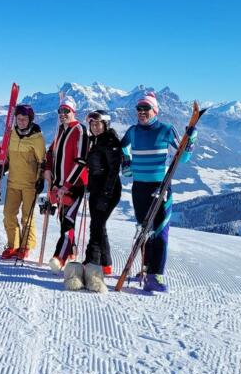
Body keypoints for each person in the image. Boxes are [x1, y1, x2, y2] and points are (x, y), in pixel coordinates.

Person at [120, 92, 198, 292]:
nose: (142, 112)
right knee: (144, 231)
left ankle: (156, 275)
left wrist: (191, 138)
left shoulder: (166, 129)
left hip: (160, 186)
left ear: (155, 111)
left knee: (160, 231)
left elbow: (183, 157)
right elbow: (123, 146)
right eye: (139, 108)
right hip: (139, 188)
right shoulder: (133, 131)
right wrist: (126, 163)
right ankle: (146, 270)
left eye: (146, 108)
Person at [43, 96, 89, 285]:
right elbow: (50, 153)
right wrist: (47, 169)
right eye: (60, 111)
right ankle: (70, 252)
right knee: (64, 220)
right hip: (59, 186)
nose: (62, 114)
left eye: (66, 111)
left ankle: (59, 258)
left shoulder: (80, 130)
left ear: (73, 112)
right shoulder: (60, 130)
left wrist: (67, 185)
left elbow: (81, 161)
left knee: (68, 221)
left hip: (74, 186)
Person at [81, 110, 122, 293]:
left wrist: (106, 194)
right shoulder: (96, 140)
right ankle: (106, 264)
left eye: (98, 124)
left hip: (108, 191)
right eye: (92, 124)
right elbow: (97, 165)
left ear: (106, 124)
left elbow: (113, 170)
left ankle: (92, 264)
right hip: (97, 189)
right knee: (99, 225)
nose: (95, 127)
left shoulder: (110, 141)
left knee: (96, 227)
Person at [1, 104, 46, 260]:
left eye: (24, 119)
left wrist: (40, 179)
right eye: (18, 119)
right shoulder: (11, 134)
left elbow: (42, 161)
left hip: (30, 183)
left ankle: (26, 245)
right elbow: (7, 157)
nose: (21, 122)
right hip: (13, 181)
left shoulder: (37, 138)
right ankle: (13, 245)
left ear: (30, 120)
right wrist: (1, 167)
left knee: (27, 217)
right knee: (8, 214)